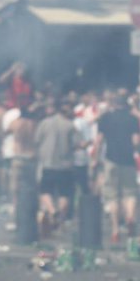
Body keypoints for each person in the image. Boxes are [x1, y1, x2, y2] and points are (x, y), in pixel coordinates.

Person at [95, 93, 140, 243]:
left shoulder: (106, 118)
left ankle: (115, 230)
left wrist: (95, 159)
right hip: (128, 160)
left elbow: (99, 140)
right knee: (130, 193)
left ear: (113, 104)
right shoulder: (133, 119)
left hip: (111, 159)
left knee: (112, 195)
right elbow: (136, 141)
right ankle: (130, 217)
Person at [34, 99, 79, 233]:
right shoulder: (70, 126)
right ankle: (60, 220)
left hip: (47, 164)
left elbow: (37, 140)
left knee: (45, 191)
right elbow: (76, 144)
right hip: (65, 166)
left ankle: (52, 210)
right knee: (64, 194)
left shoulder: (44, 123)